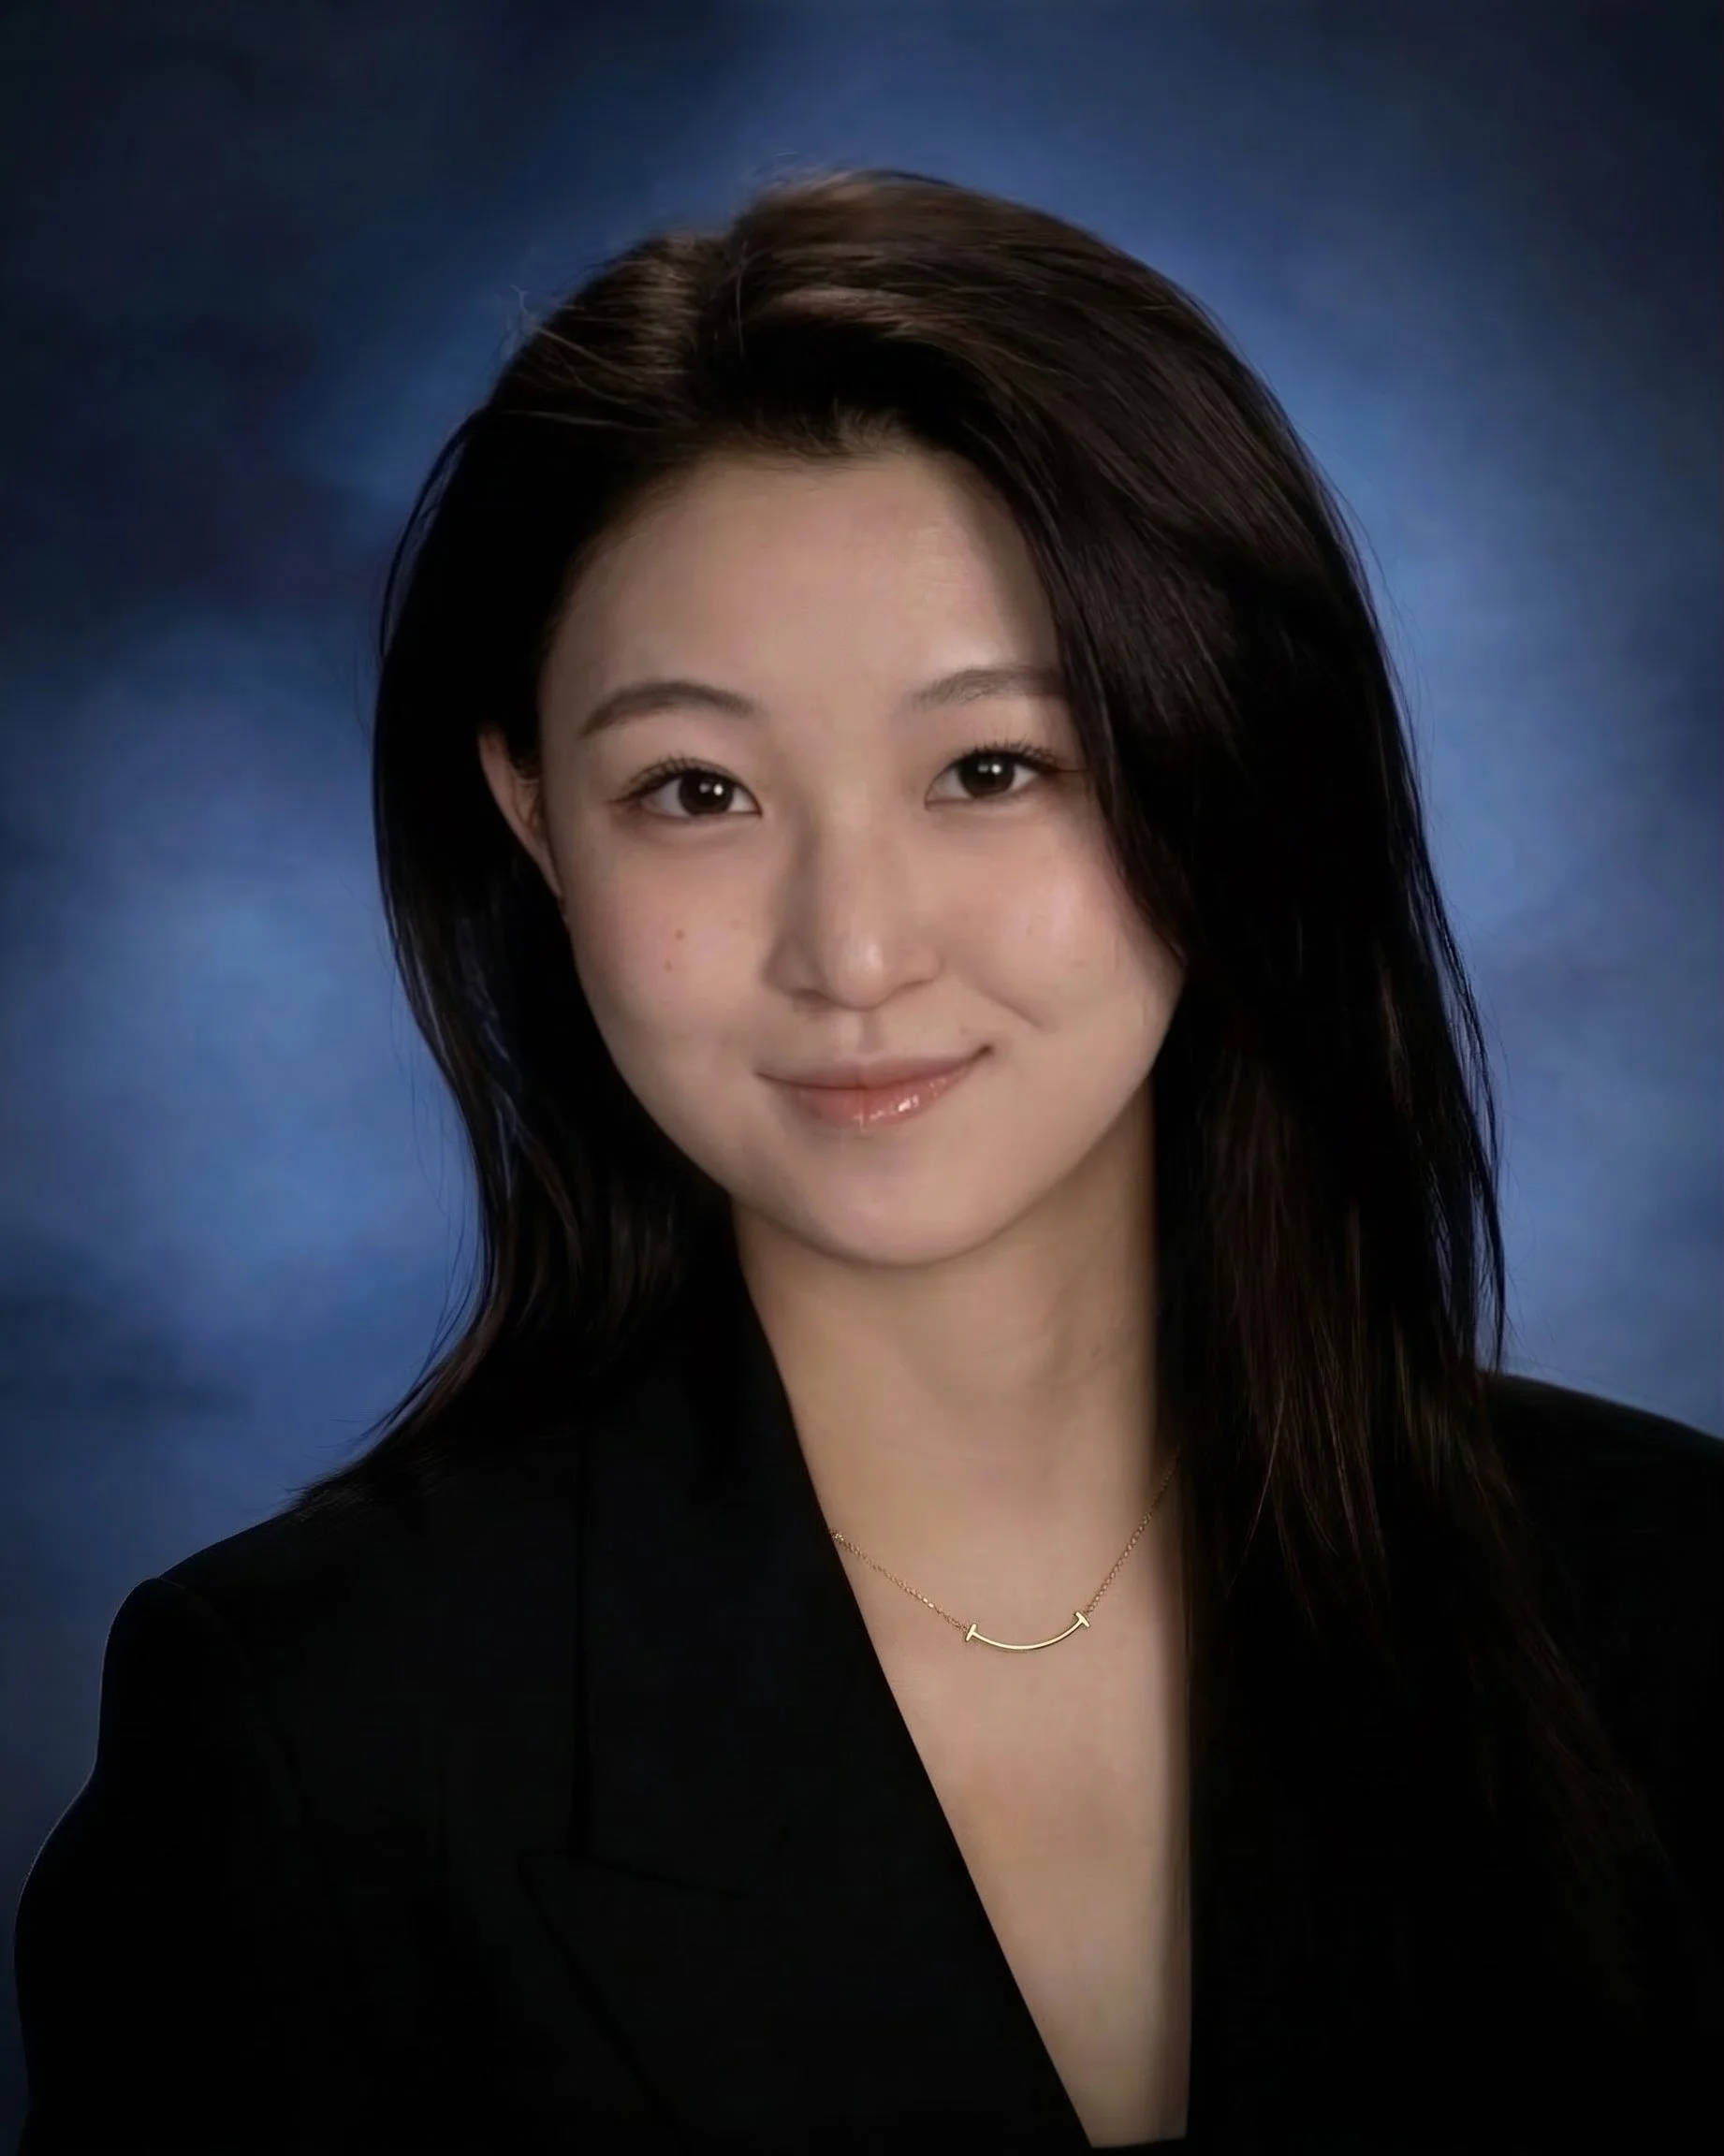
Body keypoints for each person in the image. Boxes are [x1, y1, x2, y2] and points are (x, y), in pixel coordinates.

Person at [12, 166, 1721, 2155]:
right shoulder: (310, 1739)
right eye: (696, 791)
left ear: (1226, 766)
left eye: (991, 769)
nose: (853, 951)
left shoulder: (1675, 1601)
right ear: (535, 820)